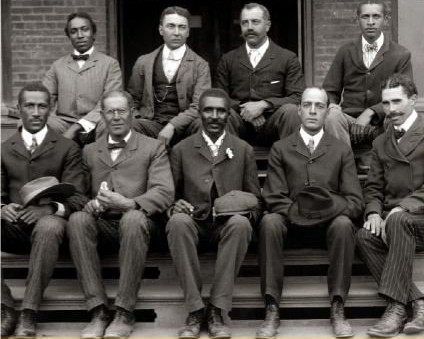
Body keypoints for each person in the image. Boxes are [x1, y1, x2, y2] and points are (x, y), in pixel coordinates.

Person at [66, 90, 174, 339]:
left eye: (121, 111)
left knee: (133, 219)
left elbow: (164, 191)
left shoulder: (153, 147)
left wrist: (130, 203)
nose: (116, 117)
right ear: (102, 116)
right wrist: (90, 205)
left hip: (141, 224)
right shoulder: (90, 151)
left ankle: (124, 311)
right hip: (103, 224)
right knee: (78, 219)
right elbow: (77, 194)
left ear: (133, 113)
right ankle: (98, 310)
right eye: (110, 112)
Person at [257, 87, 363, 338]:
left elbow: (355, 201)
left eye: (319, 106)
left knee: (344, 224)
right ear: (299, 110)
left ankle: (337, 306)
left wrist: (322, 211)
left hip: (329, 229)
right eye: (307, 105)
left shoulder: (340, 149)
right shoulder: (281, 148)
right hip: (290, 226)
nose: (313, 111)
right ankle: (271, 307)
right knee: (270, 222)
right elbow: (273, 196)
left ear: (327, 111)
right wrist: (301, 213)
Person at [166, 88, 262, 339]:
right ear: (199, 114)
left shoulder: (242, 149)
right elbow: (169, 195)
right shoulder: (182, 149)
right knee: (177, 222)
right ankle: (196, 310)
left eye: (221, 110)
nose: (215, 116)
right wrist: (174, 206)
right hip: (193, 224)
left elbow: (257, 202)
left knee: (241, 224)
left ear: (229, 114)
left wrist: (239, 208)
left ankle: (217, 310)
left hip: (227, 226)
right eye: (209, 110)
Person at [1, 82, 86, 338]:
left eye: (42, 106)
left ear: (51, 110)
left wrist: (50, 209)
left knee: (50, 225)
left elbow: (80, 198)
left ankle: (29, 310)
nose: (36, 112)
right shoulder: (4, 149)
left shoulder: (67, 148)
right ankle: (4, 306)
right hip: (14, 228)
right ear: (19, 109)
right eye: (30, 106)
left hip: (52, 233)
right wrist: (2, 208)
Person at [356, 74, 424, 338]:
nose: (391, 109)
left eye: (397, 101)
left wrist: (403, 207)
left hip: (419, 217)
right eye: (386, 103)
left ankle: (396, 309)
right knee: (364, 235)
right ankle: (417, 303)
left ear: (413, 100)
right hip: (397, 223)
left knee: (396, 220)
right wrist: (373, 212)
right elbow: (373, 187)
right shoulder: (381, 142)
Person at [323, 1, 413, 171]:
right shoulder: (345, 51)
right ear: (357, 20)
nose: (370, 21)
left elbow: (404, 93)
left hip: (381, 123)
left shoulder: (400, 54)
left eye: (376, 16)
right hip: (349, 121)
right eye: (365, 16)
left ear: (385, 20)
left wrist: (372, 111)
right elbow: (330, 90)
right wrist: (333, 105)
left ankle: (375, 160)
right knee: (331, 117)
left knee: (396, 116)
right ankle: (345, 167)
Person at [216, 3, 304, 145]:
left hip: (274, 123)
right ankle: (227, 164)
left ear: (267, 25)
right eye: (245, 23)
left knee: (291, 111)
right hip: (239, 124)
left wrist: (264, 104)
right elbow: (219, 97)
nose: (249, 27)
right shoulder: (228, 59)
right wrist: (245, 109)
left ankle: (291, 163)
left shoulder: (287, 58)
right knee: (223, 114)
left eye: (255, 22)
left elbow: (298, 97)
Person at [127, 6, 211, 145]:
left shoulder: (200, 65)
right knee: (130, 125)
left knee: (202, 125)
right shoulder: (144, 62)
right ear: (161, 30)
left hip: (186, 127)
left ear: (188, 31)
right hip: (151, 124)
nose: (176, 32)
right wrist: (138, 117)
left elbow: (199, 106)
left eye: (182, 27)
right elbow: (132, 100)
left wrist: (172, 126)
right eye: (171, 26)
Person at [43, 12, 122, 145]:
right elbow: (44, 97)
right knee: (37, 122)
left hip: (96, 124)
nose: (80, 35)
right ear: (69, 37)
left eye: (84, 29)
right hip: (64, 123)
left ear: (94, 33)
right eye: (73, 31)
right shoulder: (57, 66)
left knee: (109, 124)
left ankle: (104, 163)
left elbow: (109, 101)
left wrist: (78, 126)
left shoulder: (110, 64)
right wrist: (48, 116)